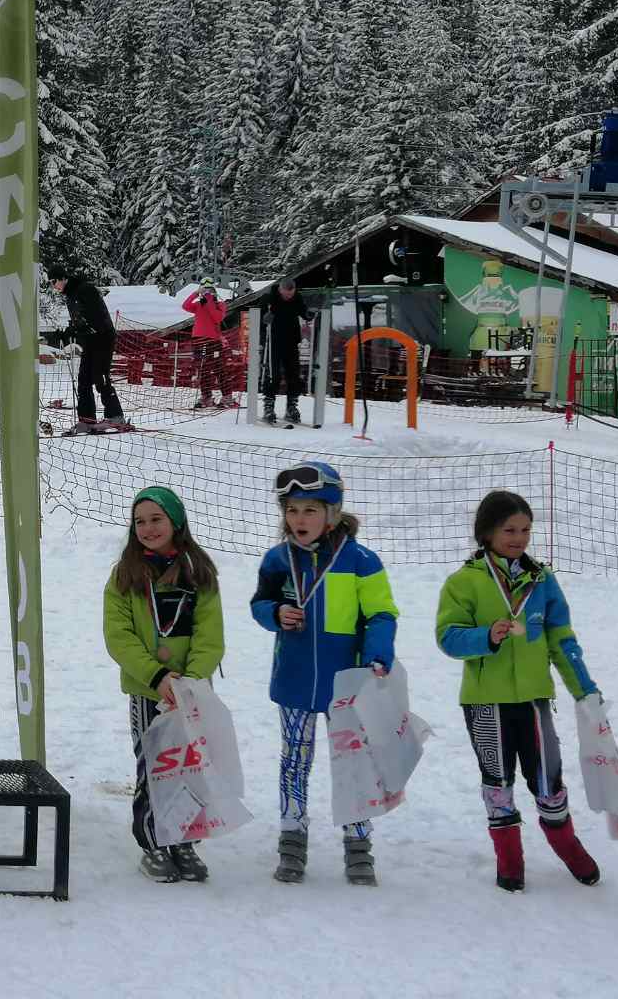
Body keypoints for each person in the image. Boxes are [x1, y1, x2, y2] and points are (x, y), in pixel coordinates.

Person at [435, 490, 602, 892]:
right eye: (509, 529)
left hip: (532, 698)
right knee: (497, 778)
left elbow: (561, 637)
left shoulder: (542, 580)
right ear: (487, 533)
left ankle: (567, 846)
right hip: (485, 702)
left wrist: (584, 688)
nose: (519, 537)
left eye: (526, 529)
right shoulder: (464, 582)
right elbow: (448, 637)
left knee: (548, 775)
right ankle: (509, 859)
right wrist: (485, 637)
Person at [250, 460, 397, 885]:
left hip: (346, 683)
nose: (299, 520)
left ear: (331, 513)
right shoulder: (278, 560)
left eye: (310, 510)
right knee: (294, 760)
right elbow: (260, 603)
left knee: (352, 762)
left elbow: (381, 614)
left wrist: (377, 654)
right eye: (292, 510)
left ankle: (358, 843)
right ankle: (292, 838)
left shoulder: (361, 562)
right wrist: (275, 613)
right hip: (294, 679)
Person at [102, 485, 224, 883]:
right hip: (147, 690)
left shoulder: (199, 573)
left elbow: (210, 636)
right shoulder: (124, 575)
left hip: (190, 693)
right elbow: (118, 636)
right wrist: (157, 677)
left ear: (176, 522)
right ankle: (153, 841)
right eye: (140, 521)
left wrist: (190, 681)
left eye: (156, 519)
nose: (148, 528)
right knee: (155, 766)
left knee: (189, 766)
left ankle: (184, 841)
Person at [50, 272, 129, 434]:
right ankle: (87, 419)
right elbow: (80, 319)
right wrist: (68, 331)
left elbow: (96, 315)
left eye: (54, 281)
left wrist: (80, 328)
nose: (53, 286)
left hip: (102, 337)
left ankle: (115, 416)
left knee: (100, 377)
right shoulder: (71, 295)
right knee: (84, 379)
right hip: (89, 339)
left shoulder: (85, 289)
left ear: (63, 278)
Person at [181, 278, 237, 410]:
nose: (206, 293)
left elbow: (217, 317)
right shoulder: (199, 304)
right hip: (198, 340)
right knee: (202, 369)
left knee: (219, 368)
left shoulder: (220, 304)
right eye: (204, 290)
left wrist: (209, 301)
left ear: (214, 291)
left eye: (209, 290)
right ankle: (206, 397)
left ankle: (227, 397)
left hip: (212, 340)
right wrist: (196, 293)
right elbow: (185, 306)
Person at [261, 278, 311, 424]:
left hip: (291, 341)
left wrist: (308, 314)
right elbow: (259, 316)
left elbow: (303, 311)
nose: (289, 297)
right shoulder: (270, 298)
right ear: (280, 290)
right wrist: (265, 319)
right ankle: (269, 406)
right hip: (273, 341)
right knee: (273, 375)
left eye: (291, 294)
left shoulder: (297, 298)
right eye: (286, 294)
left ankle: (291, 407)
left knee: (294, 374)